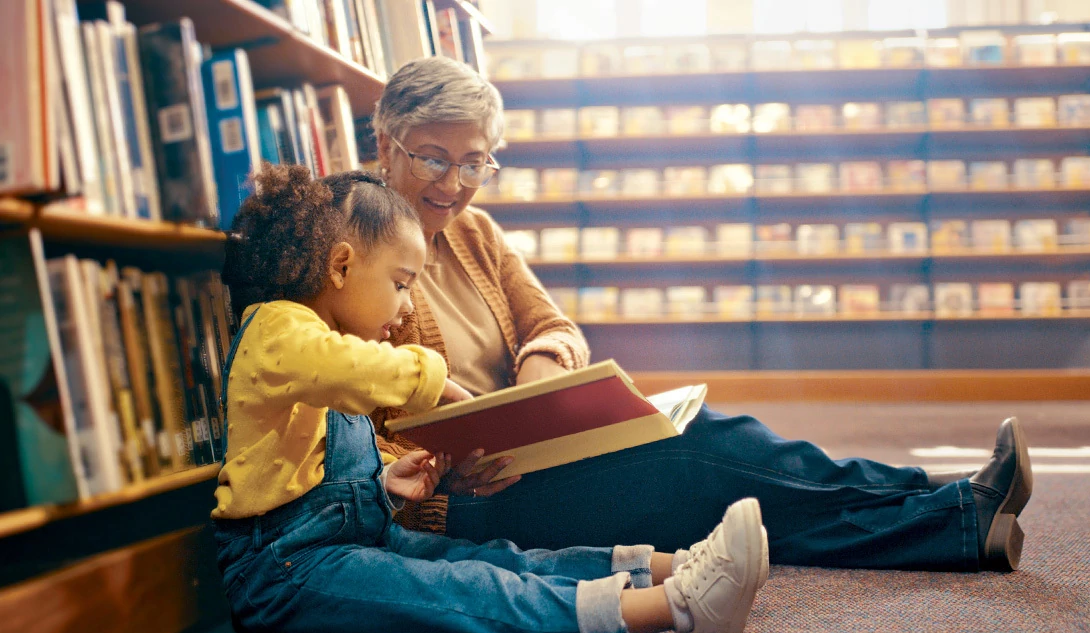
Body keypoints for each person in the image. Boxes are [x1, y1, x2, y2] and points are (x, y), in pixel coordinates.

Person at [369, 57, 1033, 574]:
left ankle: (948, 513)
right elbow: (348, 416)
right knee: (699, 454)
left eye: (475, 162)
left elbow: (553, 327)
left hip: (542, 456)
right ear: (385, 143)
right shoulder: (355, 250)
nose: (453, 183)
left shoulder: (475, 232)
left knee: (709, 471)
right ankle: (941, 507)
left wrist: (530, 397)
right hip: (465, 503)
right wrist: (442, 476)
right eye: (433, 158)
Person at [211, 163, 771, 633]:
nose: (406, 308)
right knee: (469, 592)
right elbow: (352, 371)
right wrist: (439, 383)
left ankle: (669, 567)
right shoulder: (279, 329)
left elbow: (303, 468)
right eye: (402, 284)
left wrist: (382, 482)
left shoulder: (326, 342)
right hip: (283, 571)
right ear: (339, 267)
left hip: (351, 539)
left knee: (491, 559)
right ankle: (679, 608)